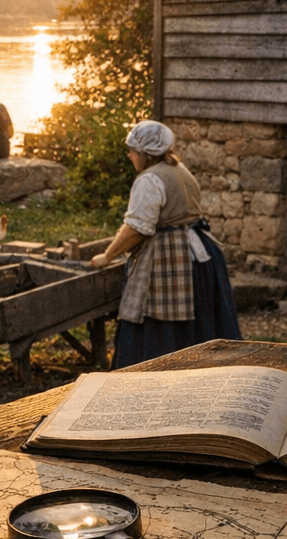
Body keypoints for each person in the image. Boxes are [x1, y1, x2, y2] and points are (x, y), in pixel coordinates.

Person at [90, 120, 241, 369]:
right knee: (198, 319)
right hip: (199, 254)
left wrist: (107, 255)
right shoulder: (180, 169)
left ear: (144, 153)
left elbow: (138, 228)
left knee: (155, 319)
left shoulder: (149, 180)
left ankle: (153, 372)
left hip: (171, 257)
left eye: (132, 151)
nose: (129, 155)